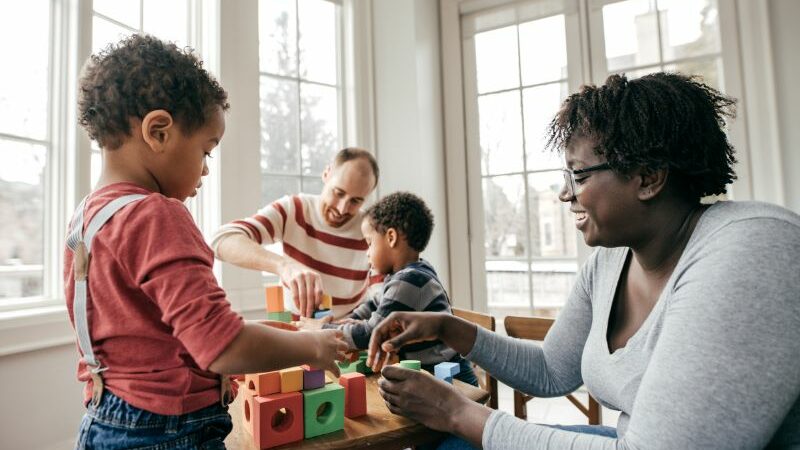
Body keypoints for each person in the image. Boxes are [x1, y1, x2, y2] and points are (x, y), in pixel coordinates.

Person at [367, 72, 800, 449]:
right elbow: (552, 371)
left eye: (578, 174)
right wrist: (449, 328)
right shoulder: (611, 263)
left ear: (648, 177)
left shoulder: (752, 247)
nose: (565, 193)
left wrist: (456, 412)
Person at [67, 34, 348, 449]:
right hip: (167, 432)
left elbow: (156, 336)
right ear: (158, 132)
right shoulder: (156, 214)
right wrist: (313, 346)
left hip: (105, 421)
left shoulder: (87, 219)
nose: (206, 170)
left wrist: (270, 332)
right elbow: (220, 348)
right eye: (206, 150)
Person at [297, 191, 479, 386]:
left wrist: (323, 329)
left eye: (369, 243)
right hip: (431, 373)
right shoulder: (406, 275)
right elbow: (373, 305)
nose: (367, 253)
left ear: (391, 237)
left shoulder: (410, 281)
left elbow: (373, 333)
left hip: (451, 379)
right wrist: (346, 320)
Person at [211, 148, 382, 318]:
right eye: (338, 193)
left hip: (346, 335)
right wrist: (284, 266)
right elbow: (222, 240)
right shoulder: (294, 209)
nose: (342, 208)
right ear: (326, 174)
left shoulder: (370, 231)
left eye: (356, 201)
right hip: (294, 330)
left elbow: (381, 294)